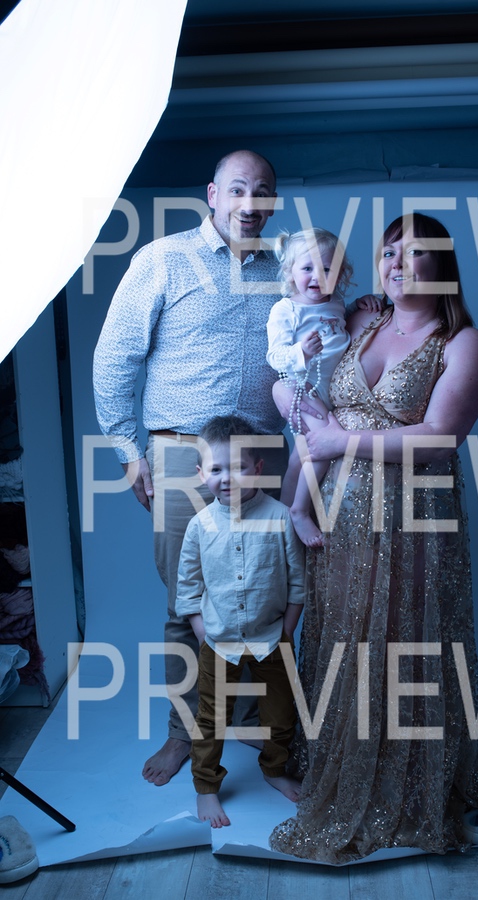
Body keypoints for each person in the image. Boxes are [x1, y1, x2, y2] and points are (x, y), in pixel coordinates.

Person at [269, 212, 478, 863]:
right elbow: (300, 383)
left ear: (441, 264)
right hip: (338, 514)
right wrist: (302, 419)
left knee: (403, 636)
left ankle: (408, 781)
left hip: (414, 517)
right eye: (389, 251)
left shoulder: (464, 343)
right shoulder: (361, 321)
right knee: (343, 632)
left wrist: (339, 440)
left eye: (414, 252)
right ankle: (339, 758)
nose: (397, 263)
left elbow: (440, 438)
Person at [93, 150, 289, 786]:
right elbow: (114, 356)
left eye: (263, 191)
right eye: (238, 189)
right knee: (189, 603)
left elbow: (316, 326)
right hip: (184, 454)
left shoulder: (285, 268)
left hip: (263, 455)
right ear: (213, 194)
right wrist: (128, 451)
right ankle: (186, 733)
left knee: (264, 597)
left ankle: (258, 729)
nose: (250, 203)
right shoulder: (163, 260)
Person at [175, 415, 305, 828]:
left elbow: (298, 581)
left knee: (281, 714)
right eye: (216, 469)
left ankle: (275, 769)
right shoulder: (199, 526)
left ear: (258, 468)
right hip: (218, 641)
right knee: (211, 718)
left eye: (239, 467)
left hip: (272, 638)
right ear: (201, 474)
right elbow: (188, 587)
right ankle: (206, 786)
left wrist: (287, 630)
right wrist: (202, 633)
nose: (227, 478)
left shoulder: (280, 517)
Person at [266, 227, 381, 547]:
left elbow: (337, 323)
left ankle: (283, 514)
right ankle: (300, 511)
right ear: (290, 272)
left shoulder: (335, 303)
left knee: (301, 455)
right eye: (307, 268)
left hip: (329, 394)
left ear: (341, 274)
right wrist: (300, 352)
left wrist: (358, 305)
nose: (317, 276)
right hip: (299, 387)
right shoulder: (286, 310)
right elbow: (274, 356)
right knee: (322, 446)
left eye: (327, 269)